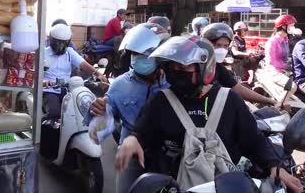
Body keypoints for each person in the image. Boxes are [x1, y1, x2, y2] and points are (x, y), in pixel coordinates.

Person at [114, 36, 303, 193]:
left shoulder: (229, 100)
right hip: (172, 187)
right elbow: (142, 133)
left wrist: (275, 167)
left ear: (206, 69)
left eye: (183, 68)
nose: (175, 73)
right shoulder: (160, 101)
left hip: (225, 187)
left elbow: (254, 140)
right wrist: (132, 140)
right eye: (172, 68)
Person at [90, 24, 170, 193]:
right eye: (134, 53)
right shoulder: (120, 85)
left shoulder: (173, 83)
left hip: (167, 156)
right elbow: (97, 134)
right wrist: (98, 114)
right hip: (129, 157)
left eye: (143, 54)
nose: (137, 59)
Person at [201, 23, 279, 108]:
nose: (222, 50)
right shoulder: (196, 67)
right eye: (218, 45)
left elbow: (238, 89)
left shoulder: (218, 68)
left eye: (225, 46)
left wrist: (272, 102)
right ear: (206, 44)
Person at [43, 24, 107, 119]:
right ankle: (41, 130)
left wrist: (98, 74)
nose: (60, 46)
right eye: (58, 43)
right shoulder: (44, 53)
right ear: (52, 41)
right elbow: (35, 72)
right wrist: (44, 81)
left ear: (68, 42)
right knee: (54, 113)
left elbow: (83, 64)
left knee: (84, 109)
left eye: (63, 43)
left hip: (68, 89)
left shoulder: (70, 52)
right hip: (50, 90)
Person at [264, 15, 298, 106]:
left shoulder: (286, 39)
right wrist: (287, 66)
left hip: (284, 71)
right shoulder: (272, 42)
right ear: (283, 26)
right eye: (291, 25)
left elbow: (286, 57)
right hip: (273, 71)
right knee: (292, 86)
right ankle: (278, 106)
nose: (293, 28)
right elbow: (271, 62)